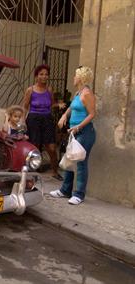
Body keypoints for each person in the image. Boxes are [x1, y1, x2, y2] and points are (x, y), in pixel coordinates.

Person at [50, 66, 96, 205]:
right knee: (70, 161)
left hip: (85, 132)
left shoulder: (87, 93)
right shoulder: (78, 92)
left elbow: (93, 114)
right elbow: (71, 107)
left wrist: (78, 127)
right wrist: (64, 115)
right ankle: (65, 190)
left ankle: (79, 195)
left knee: (81, 163)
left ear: (81, 78)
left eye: (75, 75)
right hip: (74, 133)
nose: (74, 78)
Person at [23, 64, 65, 180]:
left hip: (47, 119)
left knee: (51, 148)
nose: (44, 76)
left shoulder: (49, 89)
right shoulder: (30, 90)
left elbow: (51, 104)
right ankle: (32, 173)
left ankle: (55, 172)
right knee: (34, 147)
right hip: (33, 119)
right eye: (41, 74)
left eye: (46, 74)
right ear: (36, 76)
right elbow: (25, 107)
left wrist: (59, 105)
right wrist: (22, 122)